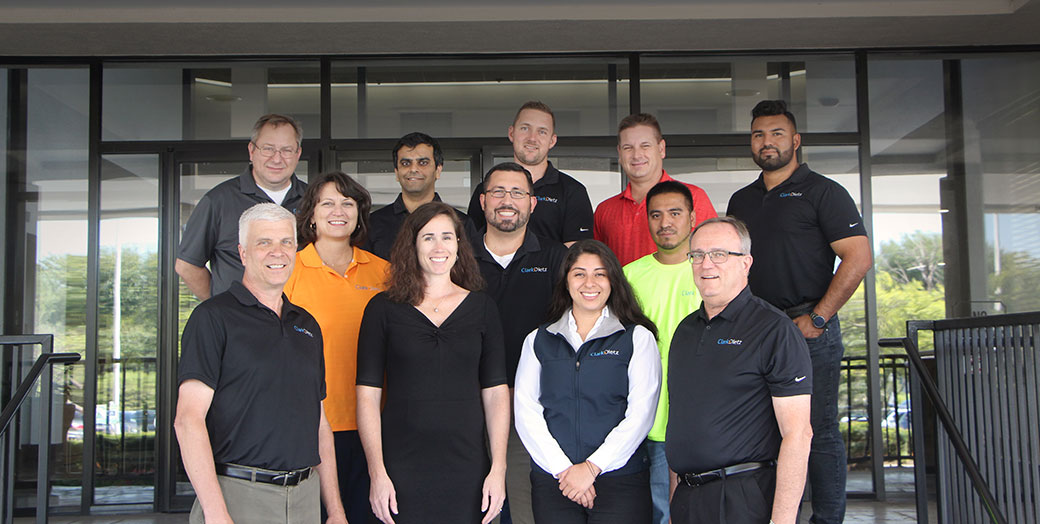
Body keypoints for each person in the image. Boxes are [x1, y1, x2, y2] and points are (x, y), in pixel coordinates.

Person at [726, 99, 872, 524]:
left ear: (795, 140)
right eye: (758, 134)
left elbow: (858, 258)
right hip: (756, 331)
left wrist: (819, 319)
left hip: (810, 329)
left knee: (818, 432)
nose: (766, 142)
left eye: (776, 133)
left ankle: (826, 520)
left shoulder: (824, 192)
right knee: (760, 432)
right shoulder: (742, 199)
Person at [174, 203, 347, 524]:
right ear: (242, 253)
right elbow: (187, 421)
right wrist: (215, 513)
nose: (277, 252)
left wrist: (335, 510)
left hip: (305, 499)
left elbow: (320, 423)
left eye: (286, 242)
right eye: (263, 242)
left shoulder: (307, 326)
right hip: (238, 497)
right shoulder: (213, 318)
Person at [356, 202, 510, 524]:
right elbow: (367, 396)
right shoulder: (382, 309)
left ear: (458, 245)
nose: (439, 247)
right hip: (400, 464)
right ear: (411, 246)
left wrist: (498, 469)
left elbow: (496, 393)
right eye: (428, 238)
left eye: (447, 237)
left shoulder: (483, 307)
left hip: (467, 464)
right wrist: (377, 473)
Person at [667, 216, 813, 524]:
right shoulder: (684, 331)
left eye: (719, 254)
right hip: (687, 499)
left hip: (742, 500)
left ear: (745, 263)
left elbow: (798, 434)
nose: (706, 265)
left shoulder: (774, 330)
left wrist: (782, 521)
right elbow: (680, 420)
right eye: (697, 255)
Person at [514, 239, 661, 524]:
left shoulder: (636, 338)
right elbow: (526, 411)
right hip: (555, 481)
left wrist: (592, 468)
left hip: (620, 479)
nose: (589, 283)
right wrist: (565, 471)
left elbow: (642, 413)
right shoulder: (539, 340)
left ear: (613, 280)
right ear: (566, 281)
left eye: (600, 273)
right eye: (579, 273)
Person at [283, 171, 389, 524]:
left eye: (348, 203)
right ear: (310, 213)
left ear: (360, 213)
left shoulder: (384, 272)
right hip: (311, 423)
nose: (338, 210)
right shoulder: (289, 271)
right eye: (327, 202)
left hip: (374, 425)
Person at [471, 162, 567, 524]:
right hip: (470, 408)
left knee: (530, 511)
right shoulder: (458, 258)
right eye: (498, 192)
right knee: (477, 509)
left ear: (532, 202)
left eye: (517, 193)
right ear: (482, 201)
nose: (507, 200)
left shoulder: (557, 259)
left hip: (536, 411)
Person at [621, 180, 701, 524]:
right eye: (656, 215)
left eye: (675, 213)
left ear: (693, 218)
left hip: (701, 421)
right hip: (647, 422)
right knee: (659, 514)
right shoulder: (629, 276)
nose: (665, 222)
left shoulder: (709, 272)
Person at [176, 113, 309, 300]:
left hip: (300, 321)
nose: (277, 159)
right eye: (268, 149)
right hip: (237, 325)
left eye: (286, 150)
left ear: (298, 154)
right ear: (251, 150)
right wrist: (222, 308)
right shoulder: (218, 201)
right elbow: (187, 265)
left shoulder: (314, 200)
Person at [594, 113, 716, 266]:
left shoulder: (694, 198)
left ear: (661, 149)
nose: (636, 155)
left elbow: (716, 257)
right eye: (628, 148)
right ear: (619, 153)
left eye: (645, 146)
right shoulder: (604, 210)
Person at [468, 101, 594, 247]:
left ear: (552, 141)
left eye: (542, 131)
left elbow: (576, 256)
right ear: (511, 133)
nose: (532, 138)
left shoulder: (573, 191)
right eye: (525, 128)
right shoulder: (486, 190)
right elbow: (472, 247)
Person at [366, 132, 470, 260]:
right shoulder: (372, 224)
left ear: (438, 171)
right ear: (397, 173)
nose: (413, 169)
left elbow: (469, 274)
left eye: (423, 163)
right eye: (405, 163)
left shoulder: (462, 223)